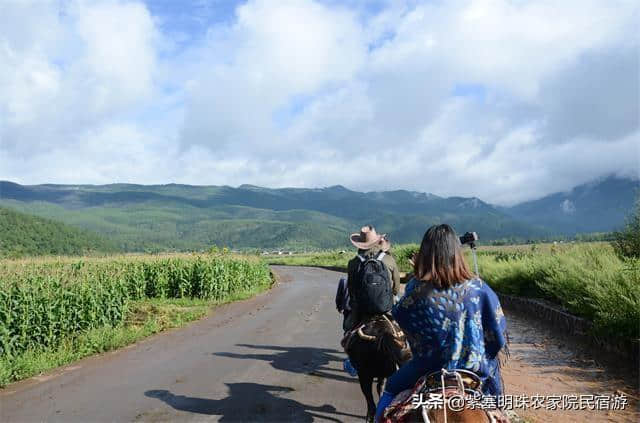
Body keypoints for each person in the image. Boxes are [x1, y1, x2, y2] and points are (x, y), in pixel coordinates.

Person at [375, 224, 509, 422]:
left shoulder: (416, 290)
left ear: (426, 254)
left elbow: (401, 318)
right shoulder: (479, 288)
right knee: (499, 404)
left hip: (427, 369)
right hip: (473, 370)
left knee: (391, 389)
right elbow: (497, 335)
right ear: (457, 252)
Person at [344, 226, 401, 332]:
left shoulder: (353, 263)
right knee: (402, 330)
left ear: (359, 244)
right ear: (377, 242)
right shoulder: (389, 260)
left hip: (362, 308)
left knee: (348, 327)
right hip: (386, 307)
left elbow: (351, 290)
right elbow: (396, 289)